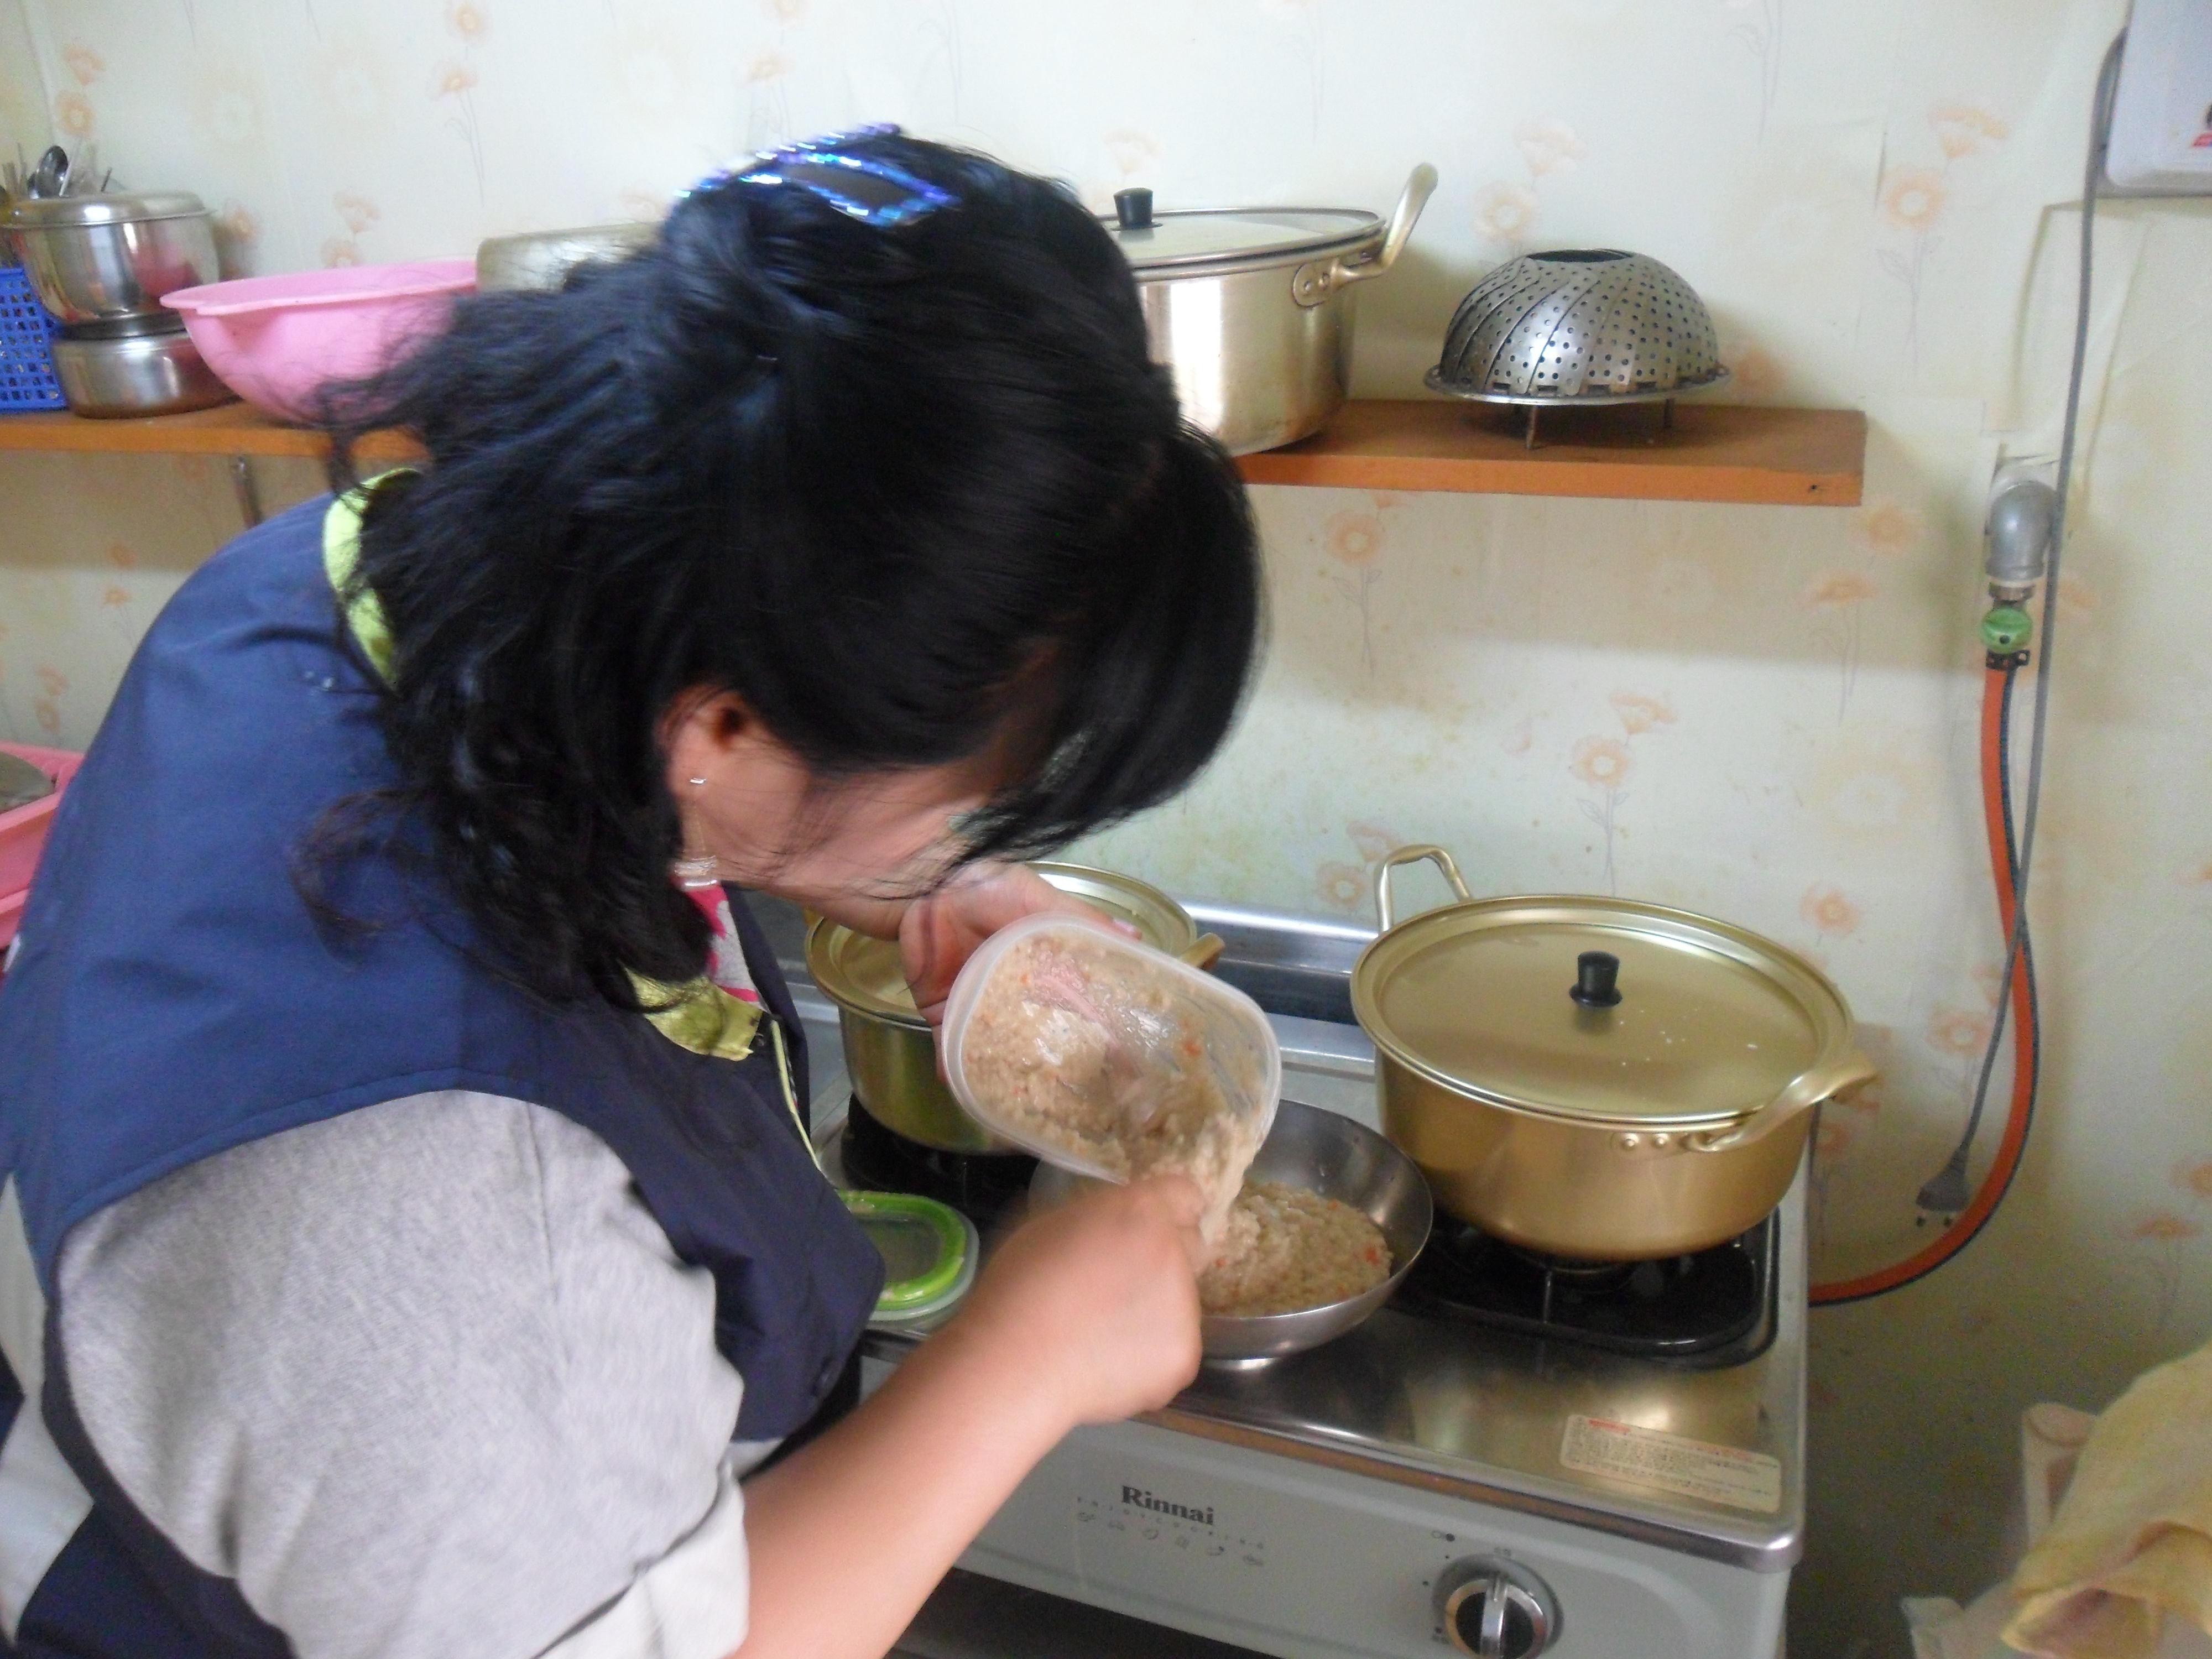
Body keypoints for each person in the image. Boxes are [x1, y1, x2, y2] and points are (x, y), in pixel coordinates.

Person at [0, 128, 1261, 1659]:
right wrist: (1026, 1355)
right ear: (719, 726)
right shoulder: (425, 1207)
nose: (969, 830)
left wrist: (903, 865)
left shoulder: (360, 576)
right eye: (975, 783)